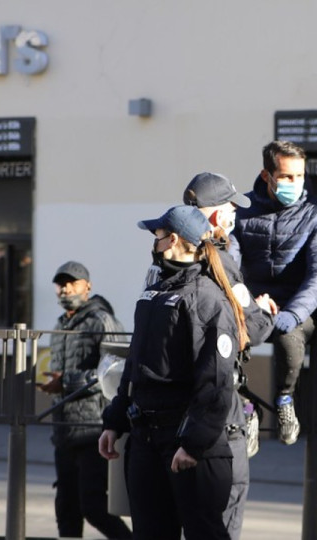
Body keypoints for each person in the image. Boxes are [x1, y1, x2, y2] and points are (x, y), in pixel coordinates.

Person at [99, 205, 247, 540]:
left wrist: (192, 444)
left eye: (158, 237)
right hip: (145, 437)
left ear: (174, 240)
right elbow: (135, 366)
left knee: (203, 533)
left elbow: (216, 381)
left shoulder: (206, 299)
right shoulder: (154, 293)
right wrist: (114, 420)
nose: (154, 244)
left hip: (187, 442)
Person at [182, 171, 277, 539]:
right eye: (230, 209)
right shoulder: (220, 262)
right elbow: (247, 330)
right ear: (217, 216)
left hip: (173, 414)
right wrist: (263, 311)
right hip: (217, 415)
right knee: (222, 518)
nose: (234, 218)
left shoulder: (165, 258)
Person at [230, 140, 317, 445]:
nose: (295, 183)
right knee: (225, 338)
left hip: (296, 308)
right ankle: (245, 408)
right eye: (287, 177)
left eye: (299, 176)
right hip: (253, 305)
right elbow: (231, 268)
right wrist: (247, 306)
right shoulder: (242, 212)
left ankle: (285, 401)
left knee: (290, 339)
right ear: (267, 176)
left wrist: (294, 312)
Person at [40, 261, 132, 539]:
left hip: (94, 430)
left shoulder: (101, 320)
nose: (65, 289)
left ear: (87, 286)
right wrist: (53, 384)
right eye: (61, 284)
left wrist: (65, 382)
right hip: (65, 431)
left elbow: (116, 370)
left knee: (93, 506)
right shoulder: (60, 324)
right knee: (66, 508)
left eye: (72, 282)